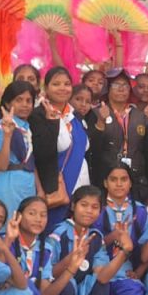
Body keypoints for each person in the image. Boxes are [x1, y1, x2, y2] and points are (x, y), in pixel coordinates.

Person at [47, 185, 134, 295]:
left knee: (102, 286)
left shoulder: (96, 237)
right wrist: (70, 260)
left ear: (100, 211)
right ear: (73, 206)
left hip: (81, 289)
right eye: (84, 205)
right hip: (60, 290)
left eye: (94, 207)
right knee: (67, 286)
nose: (89, 211)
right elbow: (49, 274)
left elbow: (102, 276)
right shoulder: (59, 234)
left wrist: (124, 251)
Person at [87, 70, 148, 206]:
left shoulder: (141, 116)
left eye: (125, 86)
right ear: (108, 89)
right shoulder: (95, 113)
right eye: (116, 85)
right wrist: (100, 123)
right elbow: (91, 149)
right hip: (105, 182)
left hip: (137, 183)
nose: (121, 89)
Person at [30, 66, 91, 230]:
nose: (62, 88)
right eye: (56, 84)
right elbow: (41, 154)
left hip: (80, 187)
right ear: (46, 88)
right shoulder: (38, 115)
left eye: (66, 84)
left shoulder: (75, 115)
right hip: (54, 187)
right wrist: (52, 122)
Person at [10, 196, 70, 295]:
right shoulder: (8, 242)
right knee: (27, 287)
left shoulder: (45, 249)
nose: (38, 219)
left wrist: (72, 268)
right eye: (32, 213)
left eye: (43, 215)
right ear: (18, 216)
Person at [97, 163, 148, 295]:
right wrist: (114, 236)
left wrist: (139, 272)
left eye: (124, 179)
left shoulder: (139, 211)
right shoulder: (95, 208)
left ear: (131, 183)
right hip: (97, 271)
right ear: (105, 183)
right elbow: (87, 244)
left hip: (124, 274)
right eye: (113, 179)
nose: (119, 184)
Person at [0, 79, 38, 216]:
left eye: (29, 101)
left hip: (27, 184)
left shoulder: (26, 127)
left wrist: (39, 190)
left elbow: (30, 162)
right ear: (7, 103)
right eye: (19, 100)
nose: (25, 105)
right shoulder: (1, 127)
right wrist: (7, 136)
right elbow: (1, 165)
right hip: (8, 184)